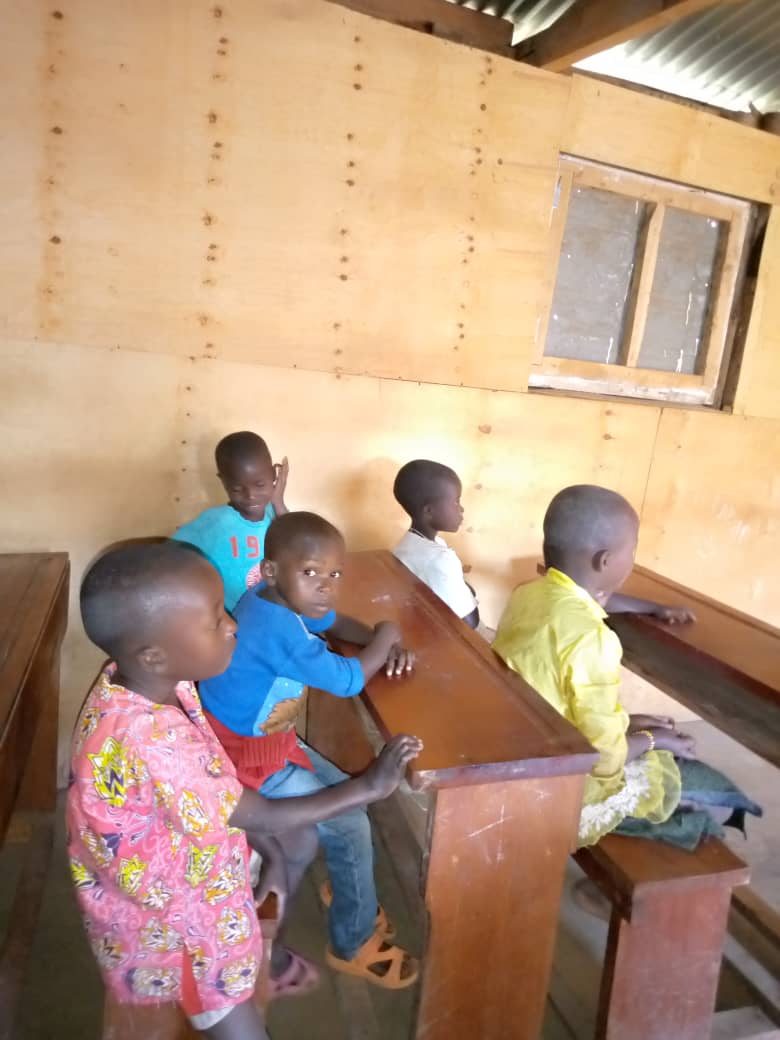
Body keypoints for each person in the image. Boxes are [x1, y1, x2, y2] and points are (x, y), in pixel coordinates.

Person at [67, 542, 422, 1038]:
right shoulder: (152, 739)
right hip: (175, 921)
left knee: (294, 845)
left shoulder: (141, 685)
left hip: (174, 861)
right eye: (215, 620)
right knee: (230, 1015)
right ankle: (243, 981)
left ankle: (264, 957)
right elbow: (258, 813)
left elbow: (207, 797)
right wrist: (369, 786)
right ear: (154, 654)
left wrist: (267, 850)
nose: (233, 624)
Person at [199, 511, 418, 989]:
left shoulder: (268, 598)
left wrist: (374, 639)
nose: (326, 586)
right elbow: (349, 679)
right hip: (246, 758)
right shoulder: (275, 628)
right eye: (311, 572)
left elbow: (332, 620)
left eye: (335, 574)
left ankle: (351, 893)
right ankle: (352, 942)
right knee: (351, 818)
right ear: (272, 570)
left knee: (345, 800)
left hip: (263, 740)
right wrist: (387, 634)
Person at [492, 485, 695, 847]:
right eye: (632, 550)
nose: (633, 558)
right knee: (679, 781)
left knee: (651, 745)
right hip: (557, 783)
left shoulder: (530, 594)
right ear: (605, 561)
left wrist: (627, 721)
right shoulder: (593, 639)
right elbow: (605, 759)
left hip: (519, 741)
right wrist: (652, 739)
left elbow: (590, 601)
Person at [172, 431, 290, 611]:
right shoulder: (215, 523)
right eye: (236, 489)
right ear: (223, 482)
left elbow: (298, 544)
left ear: (274, 474)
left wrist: (278, 501)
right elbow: (170, 554)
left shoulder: (276, 515)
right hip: (232, 617)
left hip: (273, 610)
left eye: (260, 485)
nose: (250, 496)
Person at [391, 459, 479, 628]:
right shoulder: (440, 559)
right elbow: (471, 622)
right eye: (456, 502)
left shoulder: (407, 544)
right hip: (446, 633)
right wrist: (468, 592)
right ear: (429, 511)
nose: (461, 509)